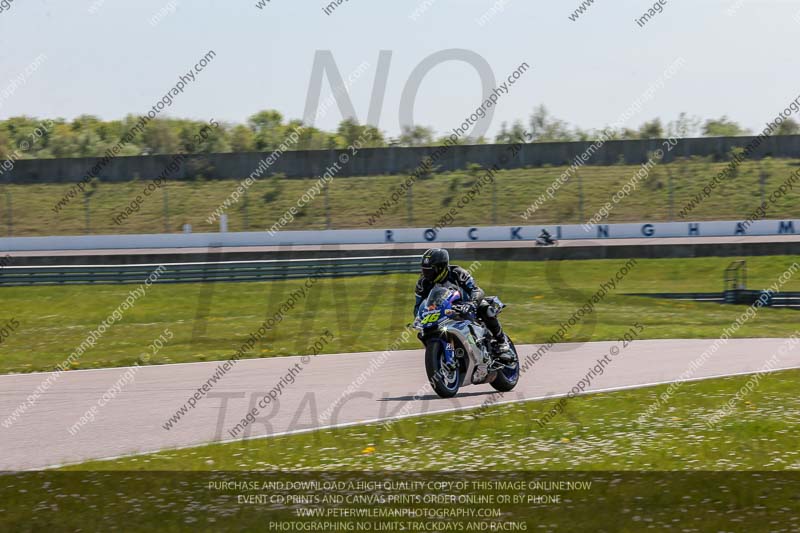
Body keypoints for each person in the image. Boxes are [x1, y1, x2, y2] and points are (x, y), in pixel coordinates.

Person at [413, 248, 513, 363]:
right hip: (443, 311)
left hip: (467, 305)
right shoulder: (422, 283)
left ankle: (501, 342)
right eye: (424, 270)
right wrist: (418, 317)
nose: (426, 274)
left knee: (485, 307)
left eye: (430, 271)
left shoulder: (458, 273)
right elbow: (419, 305)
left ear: (440, 267)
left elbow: (476, 290)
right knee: (425, 332)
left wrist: (472, 303)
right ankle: (443, 353)